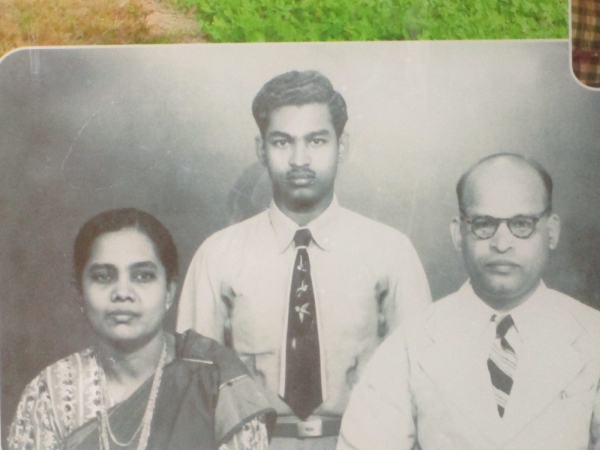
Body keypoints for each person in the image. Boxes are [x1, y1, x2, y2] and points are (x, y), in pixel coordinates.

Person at [176, 70, 432, 450]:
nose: (299, 159)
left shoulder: (390, 251)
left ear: (342, 146)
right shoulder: (219, 255)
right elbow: (192, 389)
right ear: (260, 149)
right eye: (282, 142)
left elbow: (423, 382)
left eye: (316, 140)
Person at [338, 153, 600, 450]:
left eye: (522, 224)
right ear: (458, 233)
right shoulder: (408, 346)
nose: (502, 243)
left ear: (551, 231)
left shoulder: (594, 338)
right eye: (483, 224)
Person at [8, 208, 276, 450]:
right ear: (80, 294)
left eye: (143, 276)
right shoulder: (51, 391)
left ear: (169, 292)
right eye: (103, 277)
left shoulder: (215, 382)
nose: (123, 292)